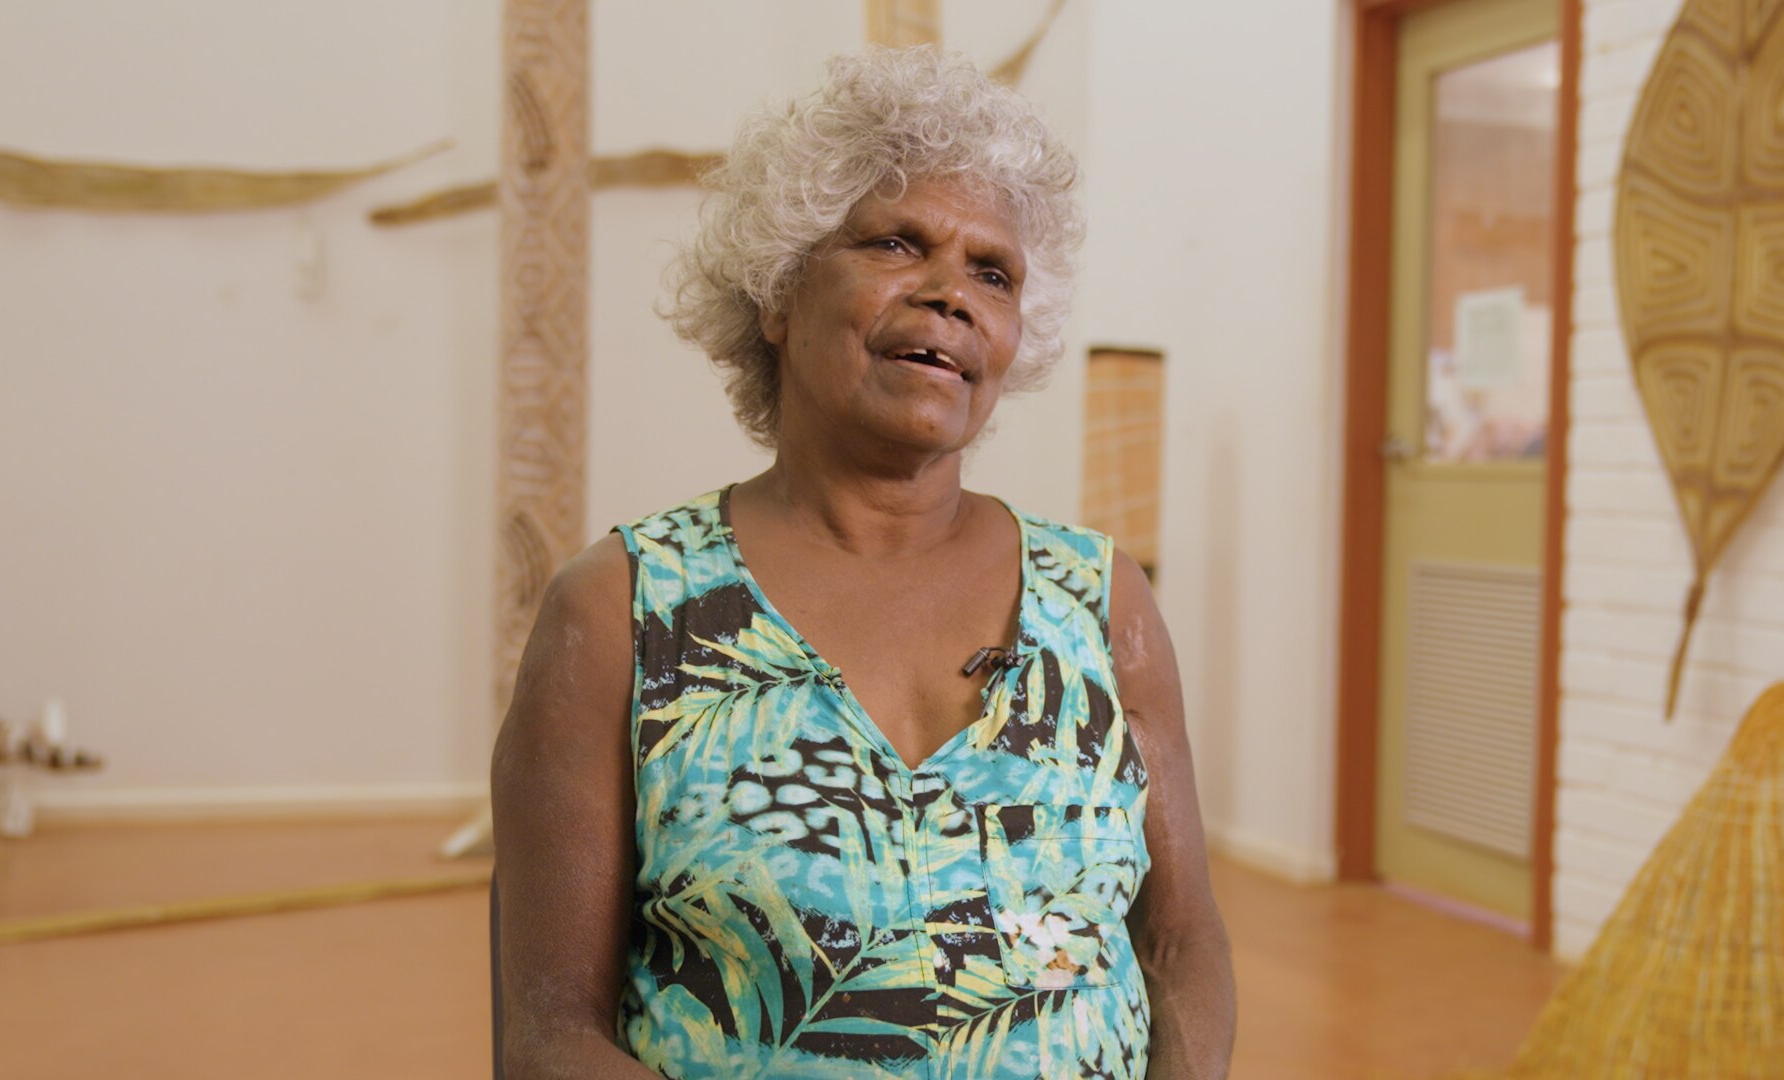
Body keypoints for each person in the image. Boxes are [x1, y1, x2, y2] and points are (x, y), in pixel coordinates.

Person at [491, 47, 1234, 1079]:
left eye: (993, 272)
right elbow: (546, 1035)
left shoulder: (1101, 604)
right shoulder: (622, 610)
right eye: (895, 242)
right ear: (780, 293)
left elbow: (1181, 944)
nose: (949, 294)